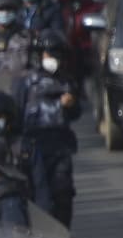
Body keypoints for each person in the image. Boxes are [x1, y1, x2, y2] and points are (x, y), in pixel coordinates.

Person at [15, 30, 81, 227]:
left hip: (59, 147)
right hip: (34, 147)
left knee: (63, 193)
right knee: (36, 194)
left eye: (56, 55)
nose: (53, 59)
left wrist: (70, 104)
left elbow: (75, 113)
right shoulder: (27, 82)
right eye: (49, 54)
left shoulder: (66, 81)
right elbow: (17, 113)